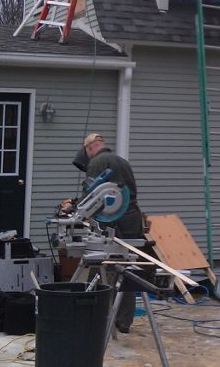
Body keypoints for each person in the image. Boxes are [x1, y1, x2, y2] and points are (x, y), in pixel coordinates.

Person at [78, 132, 147, 333]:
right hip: (133, 217)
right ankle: (124, 321)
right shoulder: (123, 162)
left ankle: (96, 315)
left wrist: (78, 210)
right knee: (127, 267)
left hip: (110, 219)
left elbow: (91, 195)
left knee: (99, 263)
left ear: (90, 148)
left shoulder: (97, 162)